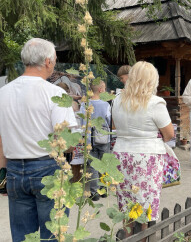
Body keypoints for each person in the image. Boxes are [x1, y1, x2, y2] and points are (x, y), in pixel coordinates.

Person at [0, 38, 77, 242]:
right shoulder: (55, 93)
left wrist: (2, 173)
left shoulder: (3, 93)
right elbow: (68, 142)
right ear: (48, 61)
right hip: (48, 166)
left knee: (24, 237)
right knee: (53, 235)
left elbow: (1, 136)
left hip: (15, 169)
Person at [112, 61, 174, 238]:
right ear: (151, 80)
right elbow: (169, 134)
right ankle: (144, 238)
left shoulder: (118, 101)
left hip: (122, 154)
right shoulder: (155, 103)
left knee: (126, 202)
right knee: (145, 203)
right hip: (147, 157)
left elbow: (115, 126)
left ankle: (127, 235)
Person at [80, 80, 111, 201]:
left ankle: (94, 192)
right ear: (101, 89)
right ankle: (104, 189)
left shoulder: (85, 104)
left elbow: (82, 122)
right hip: (103, 137)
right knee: (104, 164)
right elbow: (108, 120)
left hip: (89, 138)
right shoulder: (106, 104)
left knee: (92, 165)